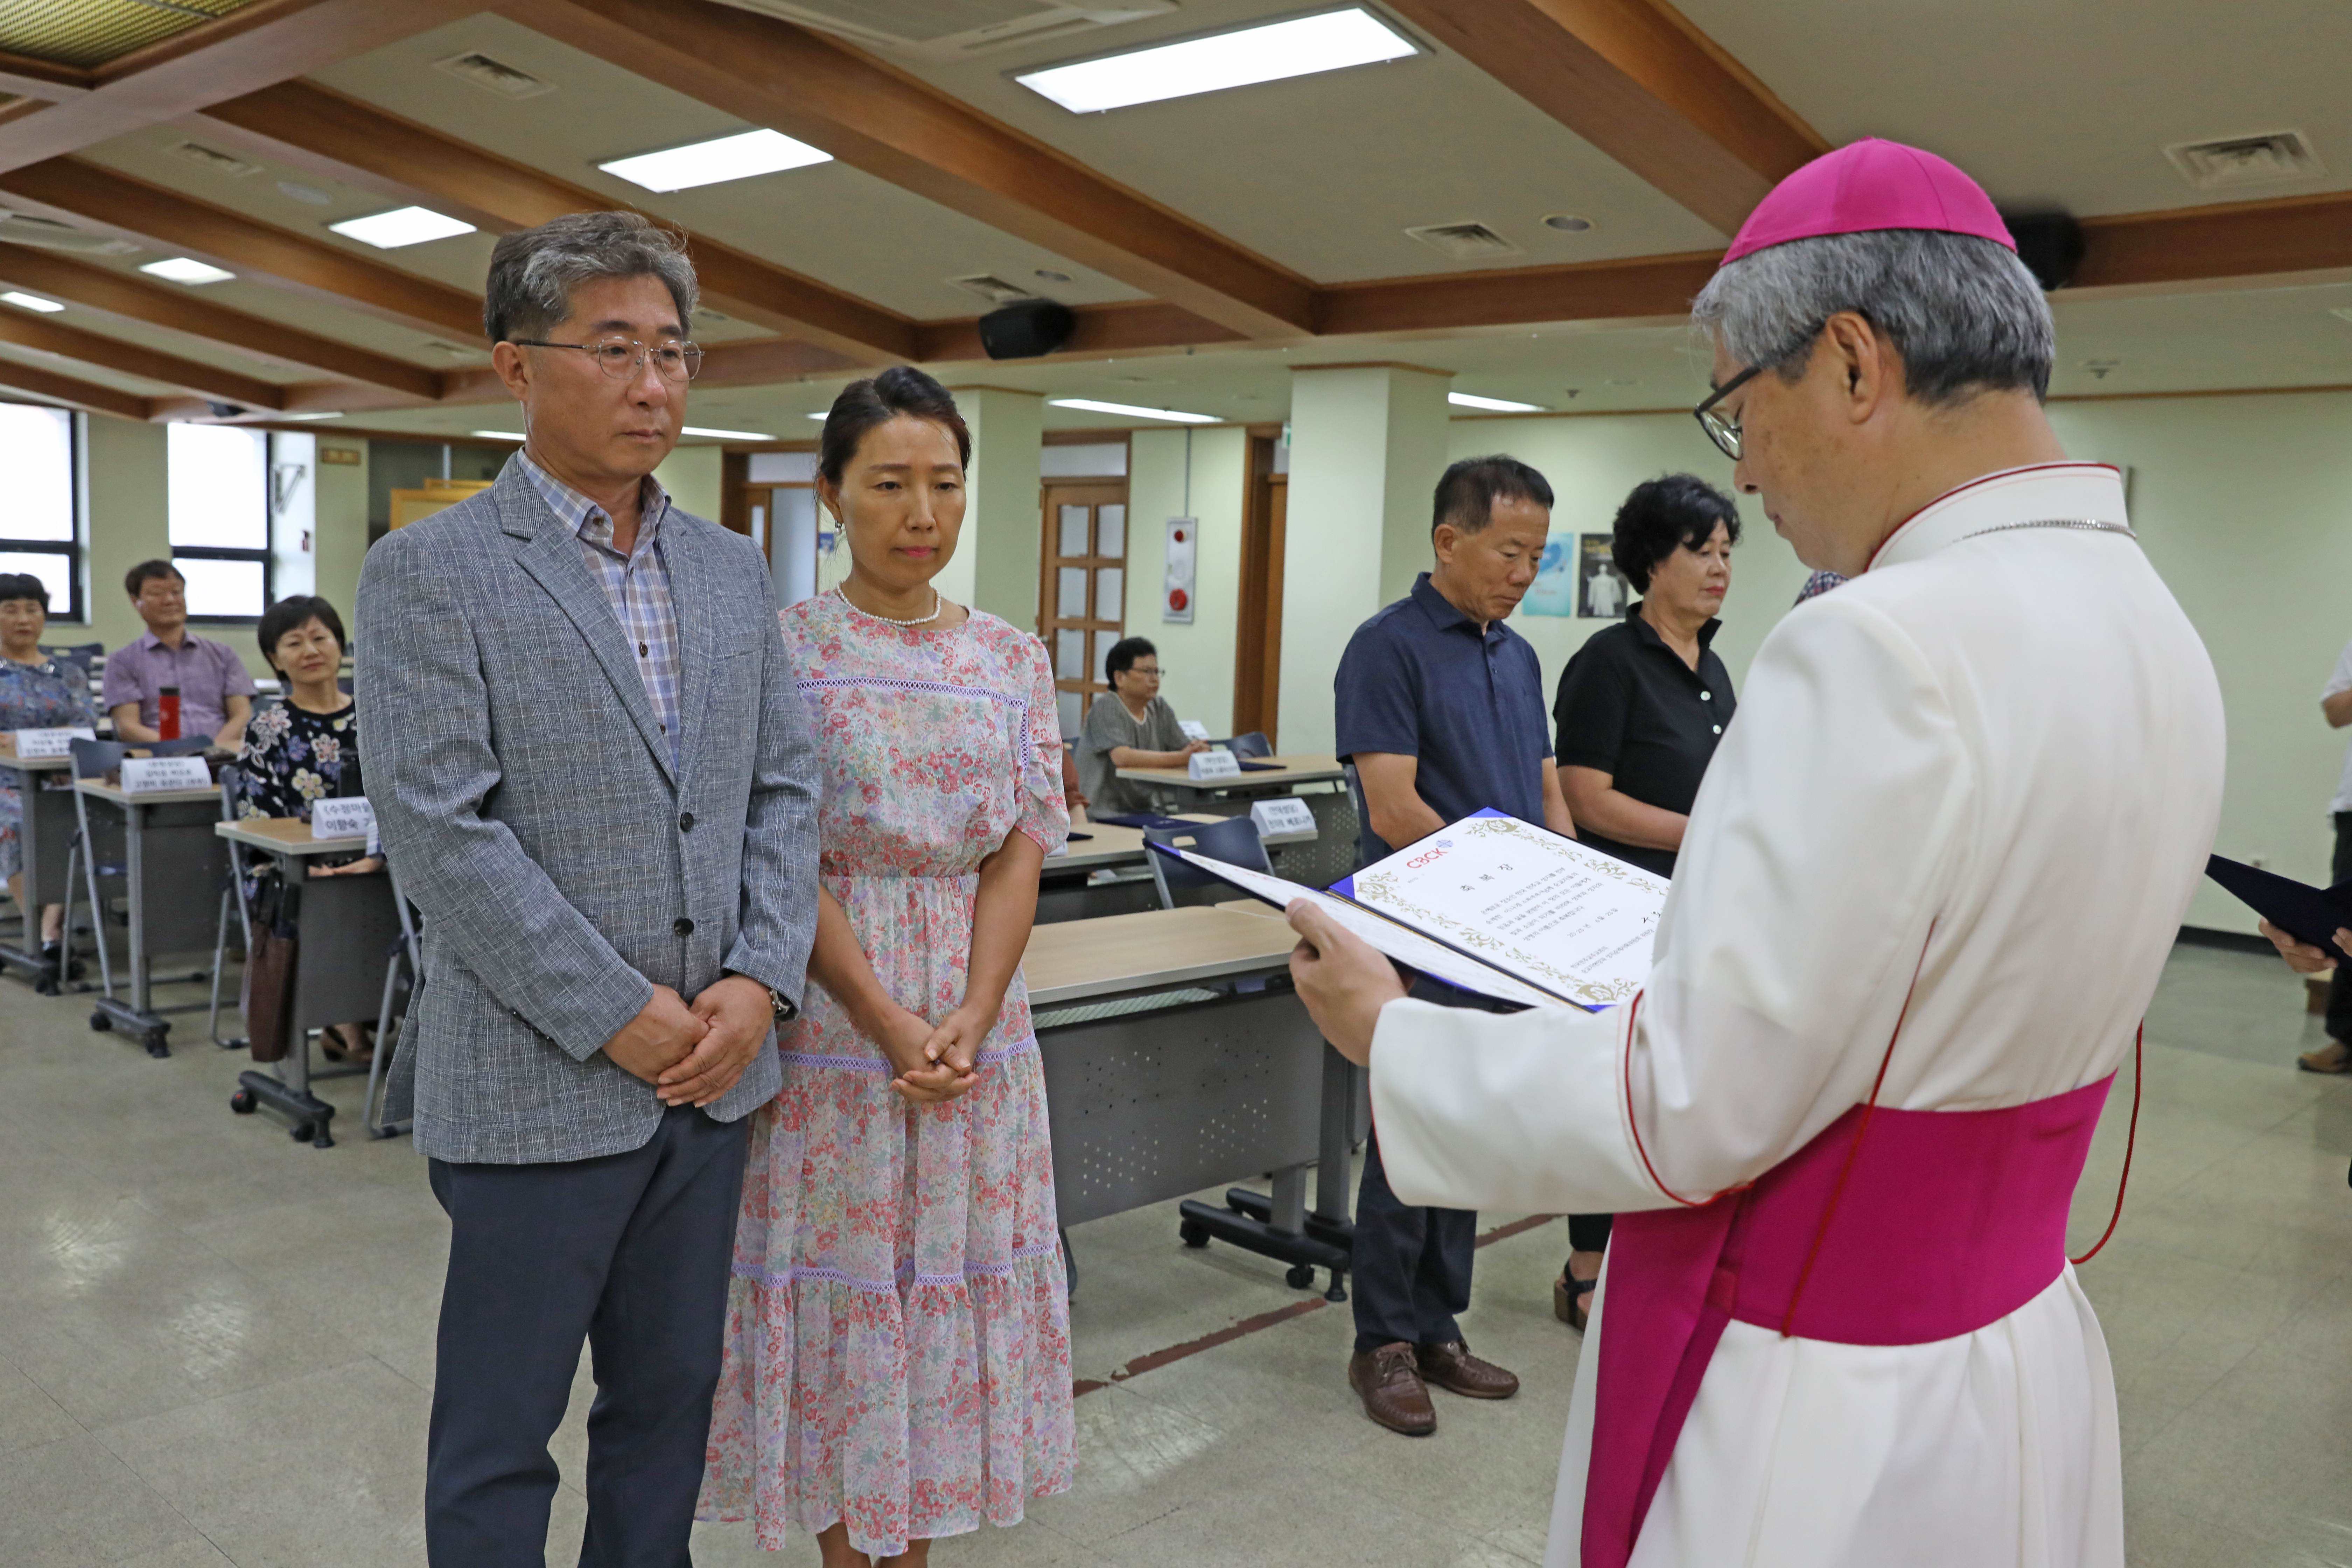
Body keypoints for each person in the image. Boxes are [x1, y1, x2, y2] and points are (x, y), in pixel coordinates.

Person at [1286, 139, 2223, 1568]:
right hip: (2014, 1341)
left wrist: (1394, 1036)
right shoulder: (2150, 617)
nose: (1751, 475)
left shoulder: (1877, 643)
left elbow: (1697, 1099)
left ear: (1849, 364)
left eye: (1740, 409)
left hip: (1825, 1382)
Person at [357, 210, 820, 1566]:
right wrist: (618, 1011)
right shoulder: (430, 571)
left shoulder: (732, 570)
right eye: (614, 349)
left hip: (715, 1077)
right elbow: (442, 831)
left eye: (672, 351)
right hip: (534, 1086)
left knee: (666, 1412)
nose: (653, 383)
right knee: (501, 1435)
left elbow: (784, 789)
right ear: (516, 364)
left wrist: (760, 980)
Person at [699, 367, 1073, 1566]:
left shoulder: (1013, 658)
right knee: (849, 1282)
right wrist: (881, 1014)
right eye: (890, 485)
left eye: (946, 485)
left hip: (977, 1025)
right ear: (831, 494)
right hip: (831, 1018)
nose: (923, 513)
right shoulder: (784, 651)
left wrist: (973, 1008)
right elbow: (777, 850)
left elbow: (1021, 847)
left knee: (946, 1276)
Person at [1330, 454, 1578, 1438]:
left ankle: (1438, 1327)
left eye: (1537, 555)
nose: (1524, 573)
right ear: (1449, 540)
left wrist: (1570, 888)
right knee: (1411, 1137)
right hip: (1422, 938)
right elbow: (1394, 808)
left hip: (1508, 939)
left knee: (1471, 1136)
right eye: (1509, 551)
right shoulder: (1386, 648)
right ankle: (1382, 1342)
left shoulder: (1517, 655)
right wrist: (1504, 892)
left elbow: (1547, 788)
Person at [1546, 473, 1742, 1330]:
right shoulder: (1609, 662)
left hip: (1700, 911)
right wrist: (1703, 833)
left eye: (1727, 551)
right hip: (1620, 912)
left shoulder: (1715, 667)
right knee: (1611, 1092)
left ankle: (1655, 1253)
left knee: (1675, 1091)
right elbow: (1587, 798)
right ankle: (1585, 1267)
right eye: (1702, 551)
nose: (1720, 567)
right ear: (1653, 561)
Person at [233, 595, 378, 1062]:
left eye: (321, 638)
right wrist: (308, 868)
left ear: (340, 645)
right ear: (276, 659)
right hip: (296, 869)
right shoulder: (268, 728)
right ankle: (345, 1022)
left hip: (379, 860)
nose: (311, 650)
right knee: (323, 899)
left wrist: (377, 857)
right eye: (294, 643)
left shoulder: (375, 716)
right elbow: (257, 817)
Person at [0, 573, 94, 991]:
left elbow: (84, 726)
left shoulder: (68, 673)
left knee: (82, 817)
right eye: (11, 610)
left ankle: (49, 930)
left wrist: (31, 743)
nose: (24, 619)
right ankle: (44, 934)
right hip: (4, 780)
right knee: (17, 822)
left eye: (32, 609)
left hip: (58, 774)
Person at [104, 560, 254, 750]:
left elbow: (242, 715)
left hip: (222, 754)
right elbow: (127, 727)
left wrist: (212, 750)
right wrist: (181, 751)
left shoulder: (223, 655)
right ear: (136, 602)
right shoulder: (122, 662)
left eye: (176, 592)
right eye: (157, 594)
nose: (170, 600)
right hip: (160, 757)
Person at [1076, 636, 1205, 816]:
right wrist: (1182, 758)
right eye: (1146, 672)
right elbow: (1122, 758)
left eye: (1156, 672)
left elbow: (1184, 747)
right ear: (1120, 678)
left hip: (1146, 810)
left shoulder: (1159, 708)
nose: (1154, 679)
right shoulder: (1106, 707)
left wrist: (1198, 749)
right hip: (1104, 813)